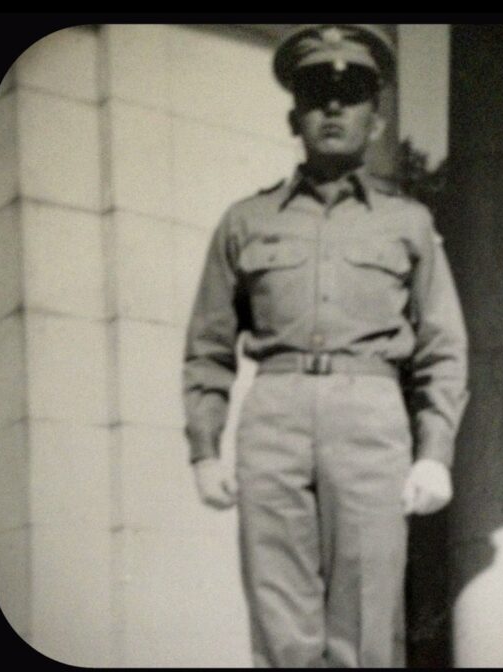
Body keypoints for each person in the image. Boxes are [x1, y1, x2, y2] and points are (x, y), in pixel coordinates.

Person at [183, 24, 469, 668]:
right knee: (279, 616)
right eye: (316, 93)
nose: (334, 107)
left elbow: (442, 346)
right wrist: (204, 447)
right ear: (294, 114)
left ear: (375, 117)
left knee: (367, 616)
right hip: (274, 412)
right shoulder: (246, 221)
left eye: (353, 93)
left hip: (371, 416)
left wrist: (436, 452)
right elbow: (208, 343)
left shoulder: (408, 223)